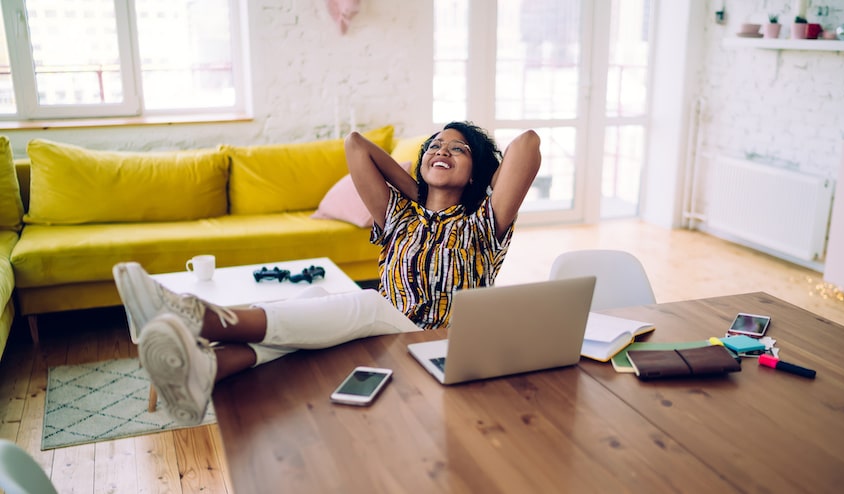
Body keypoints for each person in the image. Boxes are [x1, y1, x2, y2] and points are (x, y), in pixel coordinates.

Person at [114, 121, 540, 425]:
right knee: (315, 300)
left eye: (458, 149)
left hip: (436, 342)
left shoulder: (484, 225)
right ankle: (208, 368)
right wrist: (417, 189)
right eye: (434, 145)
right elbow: (356, 145)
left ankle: (201, 317)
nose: (441, 150)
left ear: (476, 175)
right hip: (386, 334)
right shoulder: (398, 217)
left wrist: (471, 185)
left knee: (367, 302)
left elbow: (527, 144)